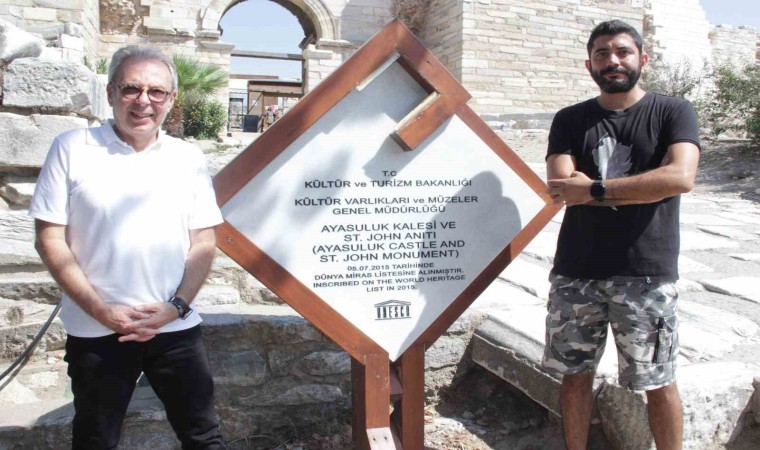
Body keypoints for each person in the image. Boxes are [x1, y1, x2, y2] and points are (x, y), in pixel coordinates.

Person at [29, 45, 226, 449]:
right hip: (98, 329)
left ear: (171, 99)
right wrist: (101, 311)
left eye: (157, 91)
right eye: (131, 88)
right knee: (96, 441)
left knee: (204, 437)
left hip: (174, 326)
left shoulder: (187, 157)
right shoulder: (72, 148)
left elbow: (204, 242)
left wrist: (177, 306)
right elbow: (49, 238)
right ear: (111, 92)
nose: (143, 101)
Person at [543, 20, 700, 450]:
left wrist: (594, 189)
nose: (613, 61)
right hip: (577, 273)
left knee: (659, 382)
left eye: (623, 52)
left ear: (642, 59)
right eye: (602, 54)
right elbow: (562, 186)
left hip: (645, 273)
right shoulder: (570, 119)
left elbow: (680, 177)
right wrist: (646, 187)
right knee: (575, 378)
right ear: (589, 65)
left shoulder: (673, 111)